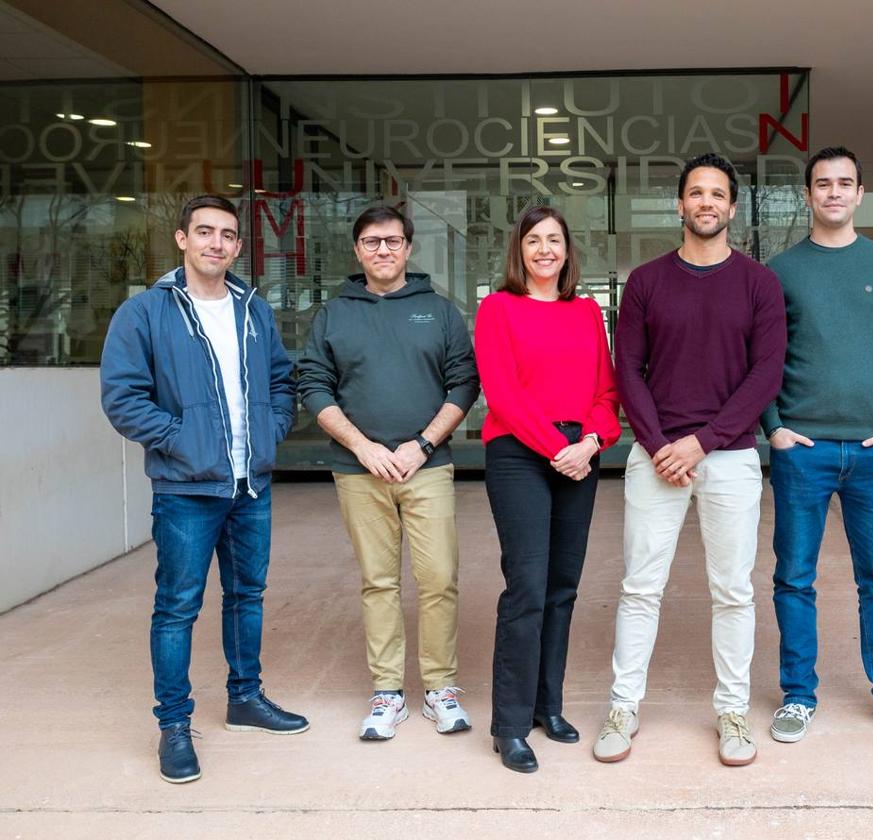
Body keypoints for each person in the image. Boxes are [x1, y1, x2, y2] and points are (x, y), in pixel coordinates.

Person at [100, 194, 307, 784]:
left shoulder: (253, 309)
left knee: (247, 596)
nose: (217, 242)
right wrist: (181, 439)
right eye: (205, 232)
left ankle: (245, 699)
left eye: (228, 235)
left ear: (238, 246)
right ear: (182, 239)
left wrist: (269, 431)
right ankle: (173, 725)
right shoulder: (144, 313)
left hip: (251, 484)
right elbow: (122, 397)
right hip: (185, 489)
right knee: (177, 608)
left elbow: (279, 380)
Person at [593, 153, 786, 767]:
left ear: (732, 208)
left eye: (717, 194)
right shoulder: (648, 281)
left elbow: (766, 375)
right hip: (655, 458)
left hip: (729, 458)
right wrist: (657, 446)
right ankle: (623, 707)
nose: (706, 202)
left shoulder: (759, 283)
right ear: (680, 205)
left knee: (732, 591)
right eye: (695, 193)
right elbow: (629, 371)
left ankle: (732, 711)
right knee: (640, 588)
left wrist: (701, 443)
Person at [760, 146, 873, 748]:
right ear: (808, 195)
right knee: (795, 579)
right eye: (822, 184)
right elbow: (764, 360)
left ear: (860, 194)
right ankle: (798, 697)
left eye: (845, 183)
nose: (834, 192)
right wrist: (774, 426)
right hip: (801, 449)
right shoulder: (780, 271)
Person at [297, 206, 479, 741]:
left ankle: (440, 689)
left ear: (408, 248)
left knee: (439, 579)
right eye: (372, 242)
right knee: (379, 582)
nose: (383, 250)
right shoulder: (333, 314)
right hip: (359, 471)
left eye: (393, 241)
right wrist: (363, 447)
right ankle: (388, 693)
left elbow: (463, 384)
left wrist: (422, 445)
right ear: (357, 250)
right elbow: (313, 386)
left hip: (428, 466)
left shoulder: (439, 311)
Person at [474, 204, 621, 773]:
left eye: (553, 240)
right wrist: (556, 448)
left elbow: (607, 392)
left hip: (578, 455)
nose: (543, 250)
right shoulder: (498, 308)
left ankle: (547, 707)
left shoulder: (587, 311)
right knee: (527, 587)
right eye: (533, 240)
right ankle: (509, 725)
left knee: (562, 586)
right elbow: (502, 392)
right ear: (519, 250)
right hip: (519, 454)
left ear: (567, 249)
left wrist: (590, 442)